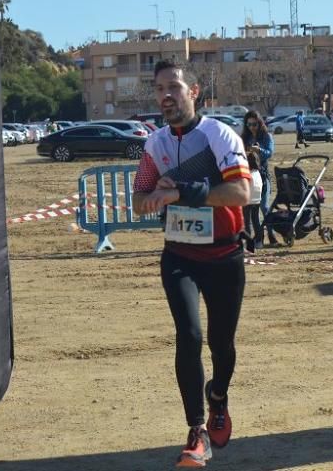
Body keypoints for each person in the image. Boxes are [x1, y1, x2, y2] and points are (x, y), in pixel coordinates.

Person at [132, 60, 252, 468]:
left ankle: (217, 396)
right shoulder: (155, 144)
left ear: (194, 91)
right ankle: (197, 431)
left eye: (174, 88)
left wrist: (179, 190)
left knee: (222, 345)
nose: (166, 96)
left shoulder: (218, 134)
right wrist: (154, 195)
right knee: (188, 334)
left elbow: (240, 192)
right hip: (180, 255)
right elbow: (139, 198)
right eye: (159, 89)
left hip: (224, 255)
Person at [241, 111, 275, 244]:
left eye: (254, 124)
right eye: (248, 124)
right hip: (248, 176)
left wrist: (258, 150)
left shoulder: (266, 137)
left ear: (259, 123)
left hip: (262, 176)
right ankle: (255, 240)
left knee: (264, 207)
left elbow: (269, 153)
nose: (251, 127)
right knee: (249, 211)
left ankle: (271, 236)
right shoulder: (245, 137)